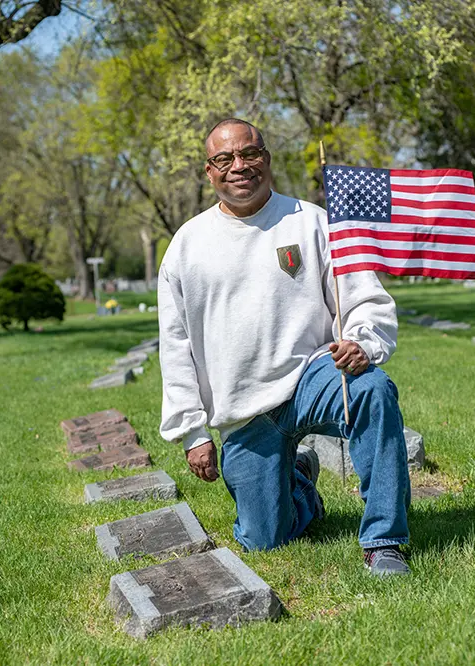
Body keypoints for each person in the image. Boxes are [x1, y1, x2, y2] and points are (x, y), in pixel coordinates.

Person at [158, 118, 411, 576]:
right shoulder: (186, 246)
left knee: (373, 388)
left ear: (267, 159)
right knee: (263, 539)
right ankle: (300, 484)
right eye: (225, 159)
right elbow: (175, 346)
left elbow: (362, 297)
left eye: (250, 154)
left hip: (313, 375)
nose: (240, 166)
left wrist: (363, 343)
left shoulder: (313, 221)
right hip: (245, 410)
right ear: (209, 172)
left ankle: (384, 540)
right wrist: (193, 433)